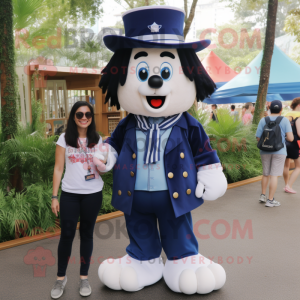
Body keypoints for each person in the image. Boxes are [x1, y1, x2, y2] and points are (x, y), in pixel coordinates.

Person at [50, 101, 112, 299]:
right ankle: (61, 278)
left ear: (92, 117)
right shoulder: (64, 139)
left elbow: (104, 164)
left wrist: (107, 159)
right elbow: (58, 168)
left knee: (87, 234)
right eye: (79, 114)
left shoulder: (97, 139)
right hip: (70, 194)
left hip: (93, 193)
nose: (84, 117)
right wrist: (54, 196)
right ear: (73, 117)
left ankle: (83, 277)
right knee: (66, 235)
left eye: (88, 114)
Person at [256, 100, 293, 207]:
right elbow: (290, 138)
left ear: (270, 108)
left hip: (264, 150)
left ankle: (263, 195)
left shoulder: (263, 120)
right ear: (281, 109)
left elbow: (258, 138)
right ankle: (270, 200)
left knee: (266, 173)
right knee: (274, 175)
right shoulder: (284, 120)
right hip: (279, 151)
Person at [283, 97, 300, 193]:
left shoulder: (286, 115)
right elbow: (299, 132)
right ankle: (289, 186)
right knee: (298, 166)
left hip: (285, 141)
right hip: (295, 142)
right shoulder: (298, 115)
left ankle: (286, 184)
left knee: (286, 165)